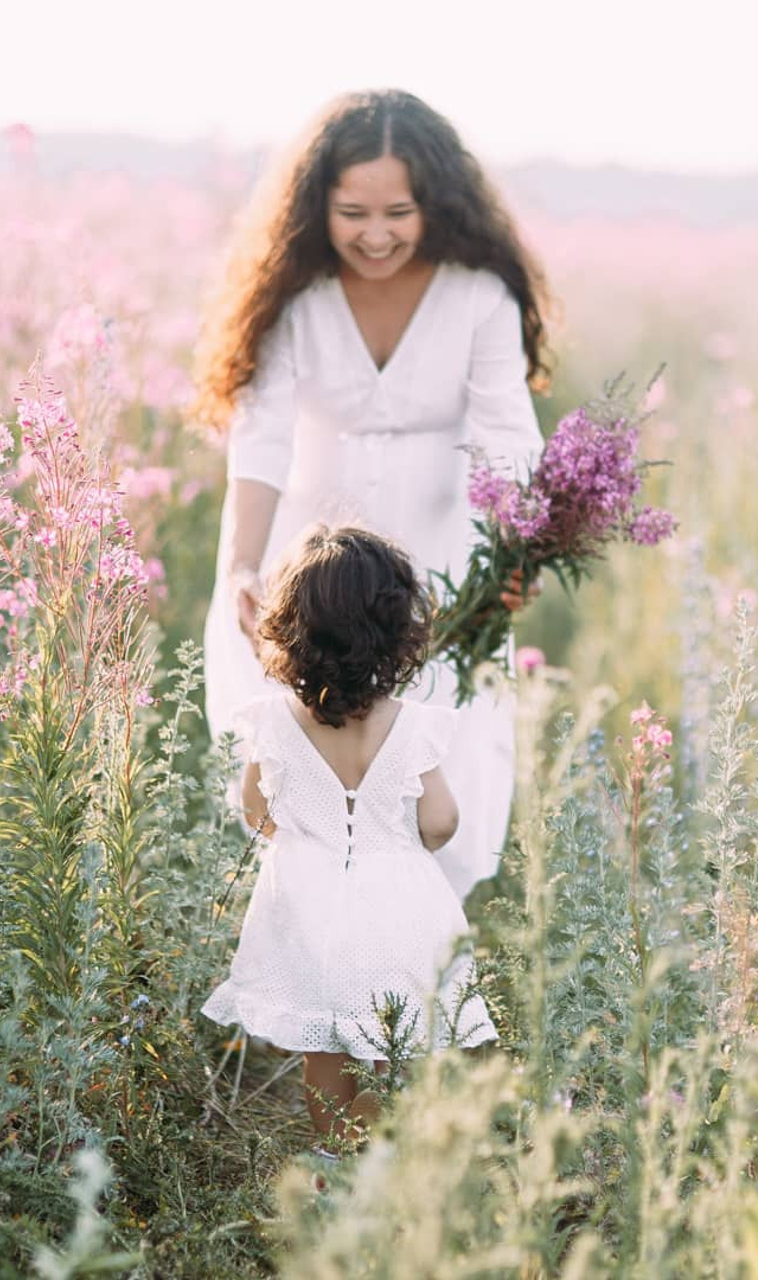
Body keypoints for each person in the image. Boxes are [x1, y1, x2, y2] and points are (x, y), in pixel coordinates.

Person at [192, 88, 553, 900]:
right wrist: (244, 567)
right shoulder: (293, 300)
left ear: (437, 204)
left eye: (400, 211)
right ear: (318, 204)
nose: (377, 234)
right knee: (290, 801)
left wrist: (511, 562)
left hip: (440, 577)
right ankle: (301, 981)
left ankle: (408, 984)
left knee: (429, 783)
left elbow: (508, 438)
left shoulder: (478, 297)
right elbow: (262, 438)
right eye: (353, 211)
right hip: (304, 577)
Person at [201, 525, 498, 1152]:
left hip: (308, 907)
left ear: (290, 630)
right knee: (382, 1042)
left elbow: (254, 808)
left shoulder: (274, 724)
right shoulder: (410, 726)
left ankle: (336, 1150)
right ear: (396, 632)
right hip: (396, 904)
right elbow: (441, 821)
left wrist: (308, 839)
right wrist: (397, 844)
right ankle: (379, 1149)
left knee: (324, 1047)